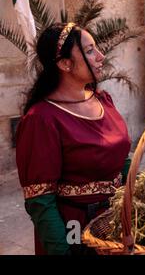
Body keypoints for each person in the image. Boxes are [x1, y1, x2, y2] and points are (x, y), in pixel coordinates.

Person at [15, 23, 131, 255]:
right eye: (89, 51)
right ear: (64, 63)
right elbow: (40, 200)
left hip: (116, 222)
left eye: (96, 48)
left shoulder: (103, 100)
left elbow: (123, 160)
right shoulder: (42, 119)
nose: (100, 56)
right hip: (74, 227)